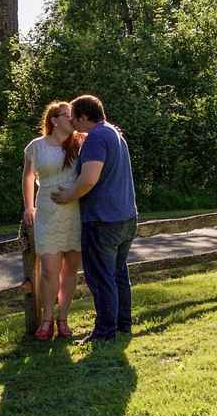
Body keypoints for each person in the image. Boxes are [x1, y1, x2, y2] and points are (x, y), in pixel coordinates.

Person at [52, 94, 138, 343]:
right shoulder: (114, 133)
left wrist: (69, 195)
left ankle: (104, 332)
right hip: (125, 217)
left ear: (84, 116)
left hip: (103, 220)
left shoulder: (96, 138)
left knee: (100, 277)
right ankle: (123, 325)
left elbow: (89, 178)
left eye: (75, 119)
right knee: (119, 274)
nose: (74, 125)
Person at [22, 101, 83, 341]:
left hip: (76, 210)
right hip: (47, 209)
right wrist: (29, 206)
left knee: (70, 270)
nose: (72, 119)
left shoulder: (81, 141)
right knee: (49, 270)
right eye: (67, 115)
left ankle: (64, 319)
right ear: (54, 120)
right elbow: (27, 176)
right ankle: (47, 319)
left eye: (73, 115)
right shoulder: (36, 146)